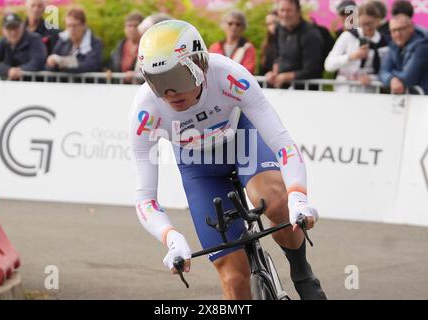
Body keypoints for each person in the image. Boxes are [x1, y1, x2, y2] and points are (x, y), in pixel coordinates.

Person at [130, 20, 327, 300]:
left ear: (201, 64)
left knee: (276, 200)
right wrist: (171, 238)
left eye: (178, 78)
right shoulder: (145, 110)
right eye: (158, 82)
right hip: (199, 168)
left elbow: (283, 143)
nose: (170, 93)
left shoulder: (228, 76)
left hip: (241, 141)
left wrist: (298, 196)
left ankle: (301, 272)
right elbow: (145, 198)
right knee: (234, 281)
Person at [324, 1, 388, 92]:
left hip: (369, 93)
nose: (366, 28)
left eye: (369, 24)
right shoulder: (348, 36)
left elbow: (386, 70)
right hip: (344, 91)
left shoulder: (383, 42)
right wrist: (351, 56)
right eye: (362, 24)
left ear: (378, 21)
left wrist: (373, 78)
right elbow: (328, 65)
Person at [265, 0, 324, 89]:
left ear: (298, 11)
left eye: (289, 10)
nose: (285, 15)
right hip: (282, 90)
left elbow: (312, 69)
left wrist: (285, 77)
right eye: (282, 10)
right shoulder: (279, 29)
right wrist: (274, 74)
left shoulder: (311, 33)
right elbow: (277, 56)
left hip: (305, 91)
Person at [0, 13, 46, 79]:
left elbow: (38, 61)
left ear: (22, 26)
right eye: (9, 28)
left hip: (34, 84)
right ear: (3, 30)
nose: (13, 32)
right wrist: (7, 70)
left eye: (15, 27)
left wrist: (20, 70)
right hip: (11, 85)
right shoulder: (3, 40)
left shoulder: (34, 38)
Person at [379, 14, 428, 94]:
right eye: (394, 30)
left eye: (402, 29)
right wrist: (391, 79)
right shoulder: (393, 45)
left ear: (411, 28)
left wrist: (392, 75)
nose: (398, 34)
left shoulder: (423, 46)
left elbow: (409, 77)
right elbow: (382, 72)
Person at [46, 8, 103, 73]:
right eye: (68, 26)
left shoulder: (95, 43)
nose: (71, 29)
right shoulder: (63, 40)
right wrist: (51, 63)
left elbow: (91, 65)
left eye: (75, 25)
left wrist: (63, 63)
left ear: (84, 25)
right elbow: (50, 65)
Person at [209, 10, 256, 75]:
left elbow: (248, 71)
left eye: (238, 24)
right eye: (230, 23)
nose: (234, 26)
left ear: (243, 27)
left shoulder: (248, 48)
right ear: (223, 25)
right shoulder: (215, 47)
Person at [107, 12, 144, 83]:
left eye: (135, 26)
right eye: (129, 26)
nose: (132, 29)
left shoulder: (146, 47)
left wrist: (137, 75)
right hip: (120, 88)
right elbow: (111, 64)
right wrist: (108, 71)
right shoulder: (120, 46)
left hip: (138, 88)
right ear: (124, 28)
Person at [259, 11, 279, 76]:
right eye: (269, 24)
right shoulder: (266, 45)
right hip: (268, 83)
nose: (272, 26)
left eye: (275, 22)